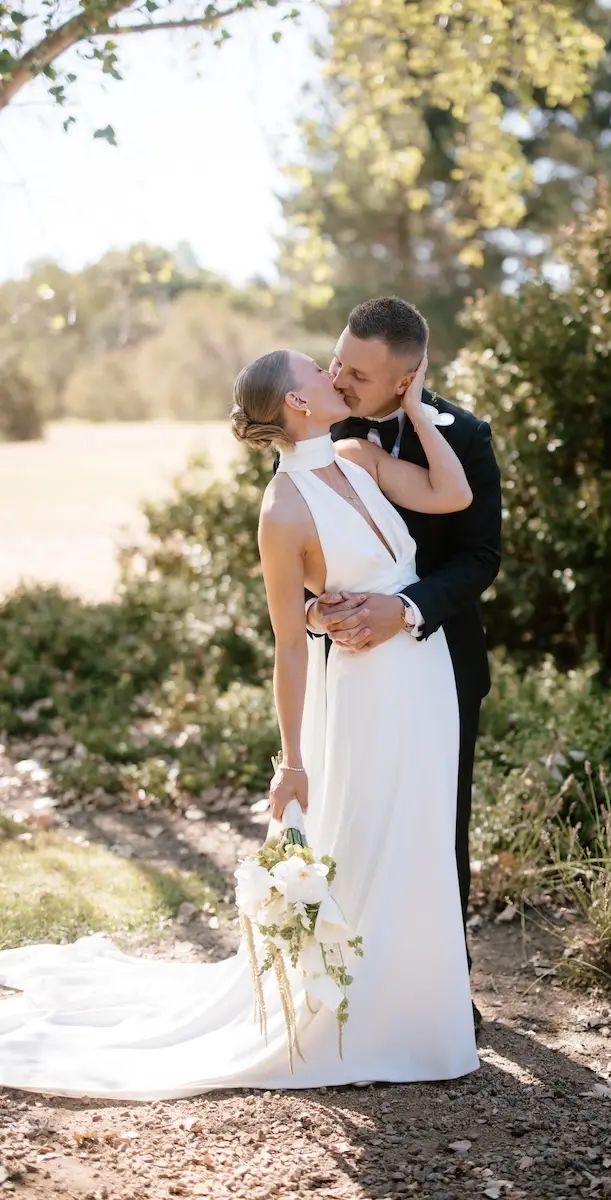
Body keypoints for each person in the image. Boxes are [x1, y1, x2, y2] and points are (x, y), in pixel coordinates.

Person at [0, 343, 480, 1099]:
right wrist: (293, 760)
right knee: (367, 838)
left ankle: (422, 1014)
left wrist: (417, 412)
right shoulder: (283, 510)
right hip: (358, 691)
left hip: (424, 674)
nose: (331, 371)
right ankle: (368, 1022)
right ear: (296, 404)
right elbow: (291, 643)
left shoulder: (357, 454)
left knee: (416, 833)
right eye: (315, 371)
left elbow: (452, 497)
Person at [309, 298, 502, 1032]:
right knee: (353, 815)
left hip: (442, 662)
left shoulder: (465, 437)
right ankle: (342, 979)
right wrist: (311, 613)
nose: (339, 377)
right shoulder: (323, 424)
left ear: (407, 378)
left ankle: (442, 991)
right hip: (351, 668)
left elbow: (481, 554)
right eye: (337, 360)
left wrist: (409, 609)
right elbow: (291, 546)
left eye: (358, 372)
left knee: (436, 824)